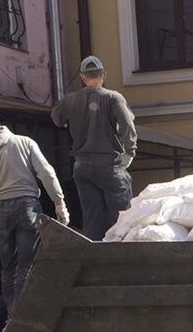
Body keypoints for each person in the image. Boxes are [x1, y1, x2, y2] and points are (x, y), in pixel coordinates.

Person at [0, 115, 69, 310]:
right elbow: (47, 173)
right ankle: (22, 312)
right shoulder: (25, 142)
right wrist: (59, 203)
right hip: (28, 206)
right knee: (26, 263)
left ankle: (11, 313)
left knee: (8, 267)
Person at [51, 55, 137, 241]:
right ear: (103, 75)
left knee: (92, 220)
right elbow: (127, 125)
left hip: (82, 168)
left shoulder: (71, 99)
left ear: (82, 77)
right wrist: (129, 152)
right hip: (109, 167)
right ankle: (124, 263)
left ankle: (97, 264)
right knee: (122, 220)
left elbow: (56, 118)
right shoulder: (113, 98)